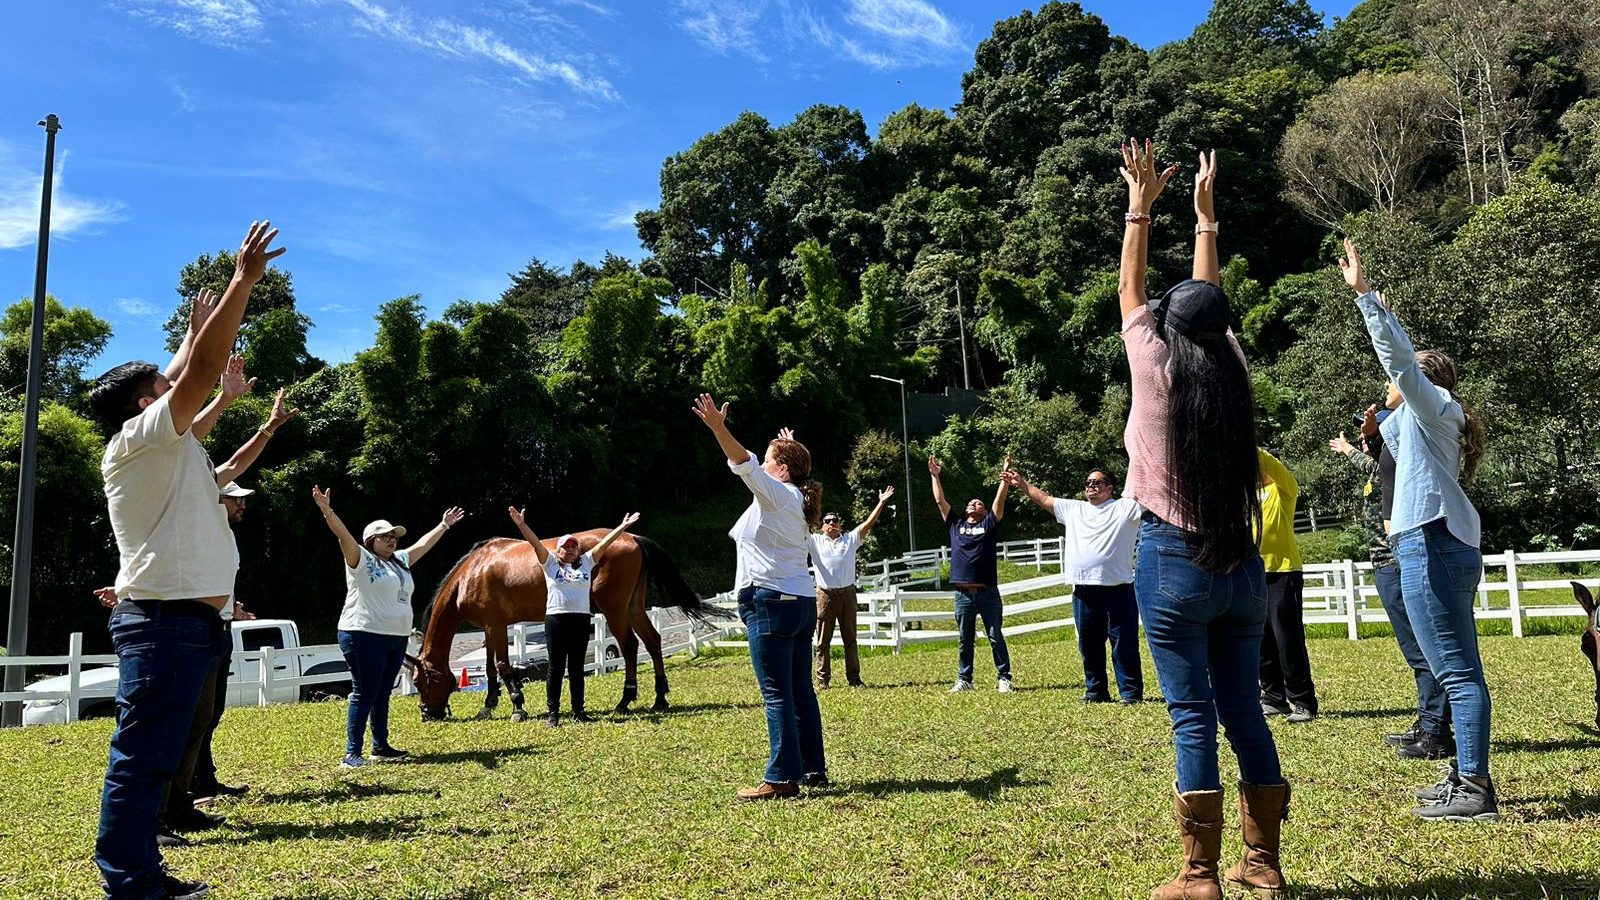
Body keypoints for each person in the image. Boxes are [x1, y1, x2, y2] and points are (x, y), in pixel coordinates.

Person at [89, 221, 285, 900]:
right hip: (164, 620)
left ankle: (140, 870)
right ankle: (130, 880)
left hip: (187, 623)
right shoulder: (140, 439)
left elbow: (188, 375)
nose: (172, 381)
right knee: (143, 760)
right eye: (158, 383)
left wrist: (203, 355)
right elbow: (194, 373)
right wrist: (243, 282)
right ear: (144, 405)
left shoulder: (169, 447)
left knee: (159, 755)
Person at [1118, 142, 1288, 899]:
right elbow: (1203, 302)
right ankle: (1264, 864)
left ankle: (1199, 875)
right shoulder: (1234, 367)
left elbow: (1131, 288)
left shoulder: (1156, 369)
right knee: (1244, 710)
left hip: (1173, 561)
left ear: (1168, 329)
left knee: (1192, 716)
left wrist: (1141, 203)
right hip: (1243, 568)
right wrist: (1206, 220)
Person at [1340, 238, 1493, 821]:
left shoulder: (1435, 406)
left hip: (1432, 542)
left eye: (1397, 386)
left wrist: (1367, 301)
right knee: (1451, 669)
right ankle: (1463, 775)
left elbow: (1400, 364)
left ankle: (1475, 787)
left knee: (1456, 673)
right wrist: (1371, 427)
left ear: (1423, 384)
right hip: (1422, 542)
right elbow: (1388, 436)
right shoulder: (1418, 424)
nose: (1387, 391)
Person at [691, 399, 826, 800]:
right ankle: (812, 768)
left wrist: (718, 427)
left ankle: (783, 777)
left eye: (772, 460)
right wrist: (789, 448)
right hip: (798, 603)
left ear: (781, 471)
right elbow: (769, 468)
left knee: (777, 693)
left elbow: (744, 461)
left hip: (770, 603)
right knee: (800, 690)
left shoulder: (777, 495)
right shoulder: (795, 499)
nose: (764, 465)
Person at [311, 486, 465, 768]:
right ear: (371, 540)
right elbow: (342, 535)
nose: (392, 540)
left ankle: (380, 746)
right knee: (364, 691)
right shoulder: (360, 559)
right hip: (362, 634)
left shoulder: (400, 562)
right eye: (386, 536)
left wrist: (444, 525)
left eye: (394, 536)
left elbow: (422, 545)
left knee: (382, 692)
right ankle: (351, 753)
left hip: (394, 638)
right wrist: (327, 510)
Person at [1330, 414, 1452, 760]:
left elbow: (1378, 458)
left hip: (1397, 563)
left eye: (1372, 435)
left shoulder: (1398, 464)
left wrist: (1362, 442)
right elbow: (1368, 462)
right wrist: (1352, 447)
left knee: (1420, 651)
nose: (1365, 438)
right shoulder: (1382, 469)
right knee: (1417, 651)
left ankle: (1435, 732)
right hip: (1387, 564)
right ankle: (1430, 722)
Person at [1004, 466, 1143, 704]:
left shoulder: (1126, 508)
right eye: (1088, 482)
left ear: (1110, 488)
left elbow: (1146, 490)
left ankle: (1130, 694)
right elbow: (1045, 499)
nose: (1091, 486)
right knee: (1089, 644)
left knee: (1124, 643)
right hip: (1084, 590)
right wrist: (1022, 484)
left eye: (1097, 482)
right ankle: (1096, 691)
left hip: (1118, 589)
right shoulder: (1074, 509)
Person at [507, 507, 642, 726]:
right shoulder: (549, 564)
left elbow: (605, 544)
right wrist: (521, 525)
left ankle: (578, 711)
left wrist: (623, 526)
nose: (570, 550)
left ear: (578, 551)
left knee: (577, 668)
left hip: (580, 620)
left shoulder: (587, 562)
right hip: (556, 620)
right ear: (558, 550)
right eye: (566, 547)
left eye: (573, 546)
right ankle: (553, 713)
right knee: (556, 668)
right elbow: (535, 543)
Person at [930, 454, 1013, 694]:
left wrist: (1004, 479)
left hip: (987, 592)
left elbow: (1000, 502)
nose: (973, 504)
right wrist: (935, 475)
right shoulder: (955, 524)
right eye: (971, 503)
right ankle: (964, 679)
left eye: (978, 503)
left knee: (995, 635)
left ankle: (1004, 677)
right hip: (962, 594)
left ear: (985, 511)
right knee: (965, 639)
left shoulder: (989, 524)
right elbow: (939, 500)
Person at [808, 487, 895, 689]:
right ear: (821, 526)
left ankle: (854, 679)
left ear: (840, 524)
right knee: (822, 641)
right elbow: (800, 525)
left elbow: (868, 524)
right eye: (827, 521)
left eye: (835, 520)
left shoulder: (850, 539)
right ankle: (823, 680)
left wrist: (881, 502)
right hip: (825, 594)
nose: (831, 523)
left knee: (851, 639)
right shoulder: (814, 541)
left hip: (847, 593)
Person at [1255, 448, 1318, 723]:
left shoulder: (1283, 492)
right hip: (1253, 574)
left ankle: (1302, 700)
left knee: (1287, 639)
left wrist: (1245, 440)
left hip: (1283, 572)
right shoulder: (1243, 497)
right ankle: (1273, 698)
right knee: (1261, 641)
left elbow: (1273, 466)